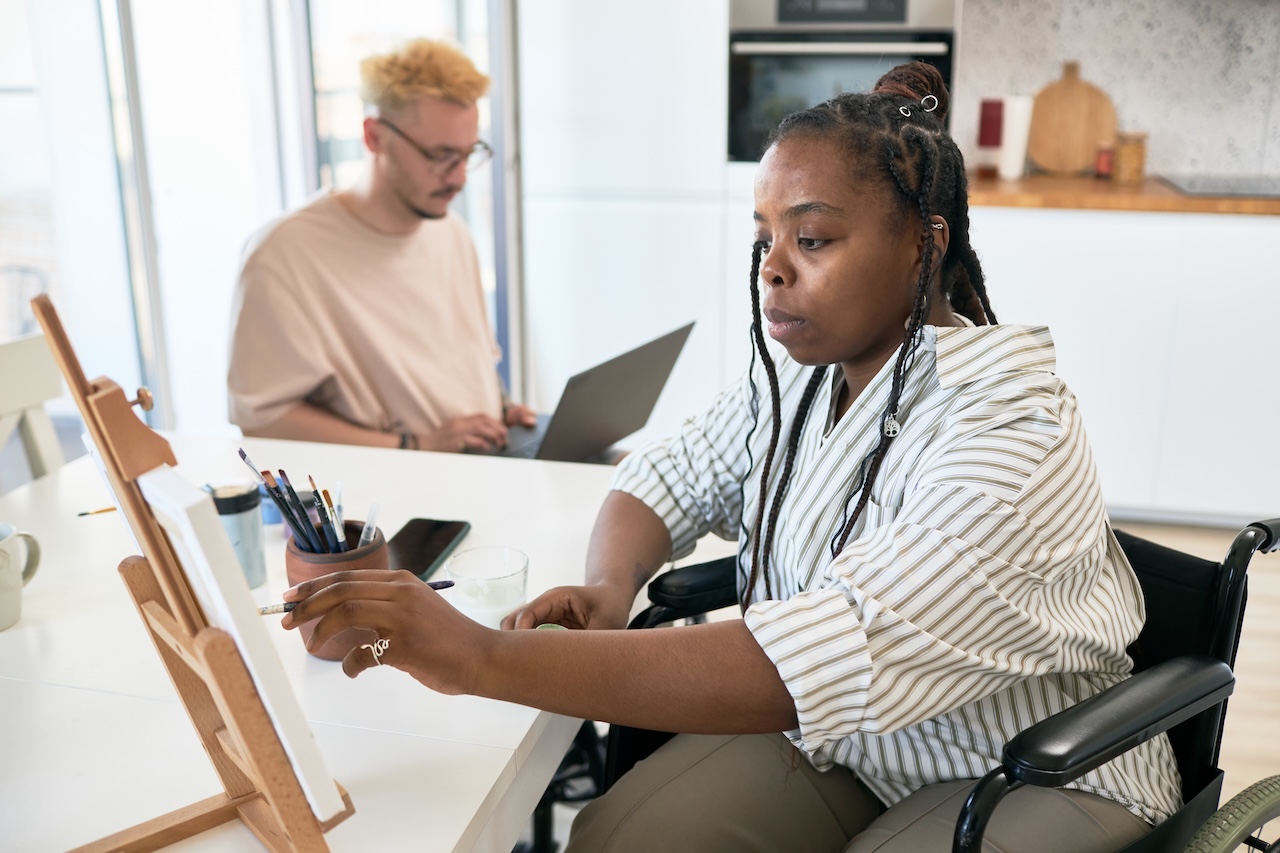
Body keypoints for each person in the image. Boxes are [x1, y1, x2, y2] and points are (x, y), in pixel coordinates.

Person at [277, 62, 1183, 851]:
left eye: (813, 239)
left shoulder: (1010, 433)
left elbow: (805, 663)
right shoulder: (804, 374)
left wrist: (478, 658)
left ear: (923, 244)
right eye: (767, 239)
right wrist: (610, 583)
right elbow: (661, 480)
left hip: (1027, 764)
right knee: (620, 838)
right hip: (855, 742)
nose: (773, 269)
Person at [227, 38, 535, 454]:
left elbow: (468, 357)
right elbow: (262, 419)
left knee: (622, 466)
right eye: (440, 155)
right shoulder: (284, 255)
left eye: (468, 154)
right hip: (398, 494)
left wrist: (500, 410)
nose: (460, 177)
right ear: (374, 137)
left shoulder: (450, 231)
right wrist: (416, 445)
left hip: (482, 459)